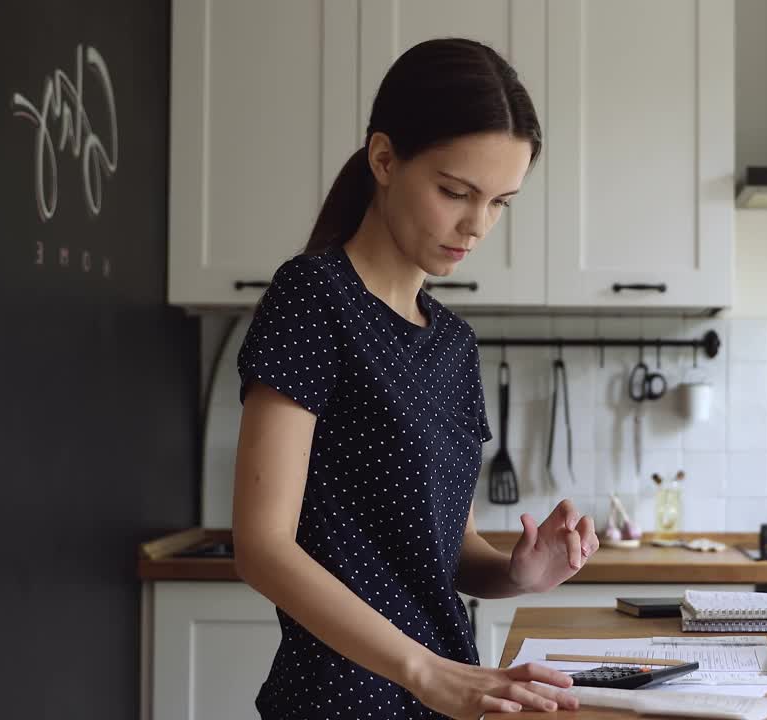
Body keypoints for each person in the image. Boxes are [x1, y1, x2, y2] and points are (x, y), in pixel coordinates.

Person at [232, 38, 599, 720]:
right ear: (384, 159)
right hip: (341, 700)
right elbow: (262, 548)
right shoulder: (313, 297)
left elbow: (447, 551)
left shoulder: (454, 343)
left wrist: (521, 572)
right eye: (455, 192)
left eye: (500, 203)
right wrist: (425, 671)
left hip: (445, 693)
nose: (477, 224)